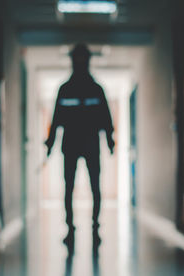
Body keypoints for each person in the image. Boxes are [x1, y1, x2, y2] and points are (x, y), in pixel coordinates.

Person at [45, 43, 115, 245]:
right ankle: (70, 228)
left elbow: (106, 119)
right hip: (72, 146)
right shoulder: (65, 90)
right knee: (69, 188)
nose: (81, 63)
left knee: (94, 187)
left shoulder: (96, 89)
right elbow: (56, 120)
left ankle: (95, 228)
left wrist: (110, 141)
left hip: (90, 145)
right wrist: (50, 144)